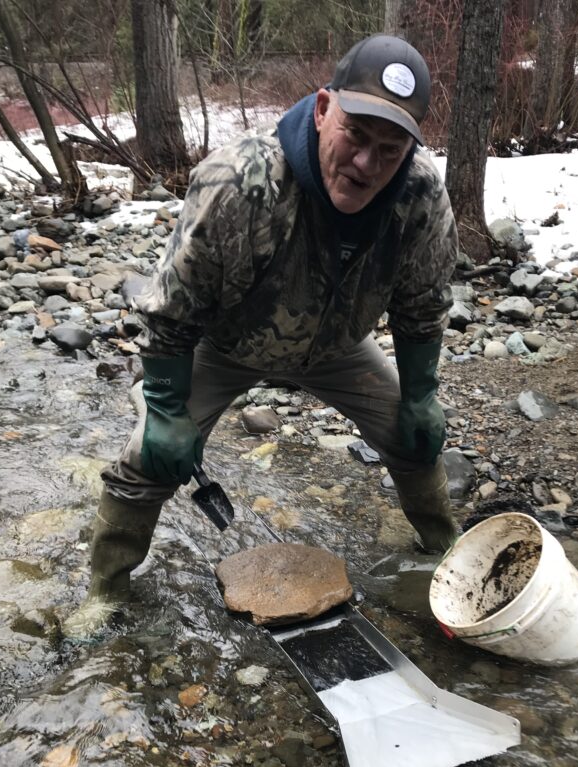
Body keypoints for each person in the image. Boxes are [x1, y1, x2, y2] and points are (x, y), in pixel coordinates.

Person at [64, 33, 459, 636]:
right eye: (355, 135)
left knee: (415, 438)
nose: (366, 163)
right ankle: (105, 594)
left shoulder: (421, 195)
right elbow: (172, 309)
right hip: (226, 343)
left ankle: (447, 553)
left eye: (390, 148)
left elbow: (422, 305)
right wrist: (166, 405)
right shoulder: (241, 180)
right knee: (148, 461)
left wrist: (422, 393)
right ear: (323, 109)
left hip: (338, 347)